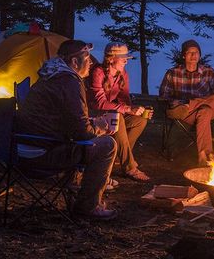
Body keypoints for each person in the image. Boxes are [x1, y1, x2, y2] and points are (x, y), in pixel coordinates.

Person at [16, 39, 118, 220]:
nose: (91, 62)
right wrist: (100, 127)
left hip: (24, 147)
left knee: (90, 141)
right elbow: (83, 133)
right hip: (42, 154)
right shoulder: (69, 81)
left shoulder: (50, 76)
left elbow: (65, 117)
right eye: (87, 58)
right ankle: (88, 207)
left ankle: (77, 187)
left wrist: (90, 122)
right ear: (74, 62)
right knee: (107, 145)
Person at [158, 39, 214, 164]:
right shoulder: (173, 73)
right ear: (184, 55)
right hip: (184, 114)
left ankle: (190, 105)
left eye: (196, 52)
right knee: (205, 112)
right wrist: (177, 103)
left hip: (191, 108)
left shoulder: (209, 72)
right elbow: (164, 97)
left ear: (200, 55)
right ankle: (205, 158)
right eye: (190, 52)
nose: (193, 55)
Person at [87, 43, 150, 182]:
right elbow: (99, 103)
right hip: (94, 115)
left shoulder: (122, 74)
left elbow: (124, 100)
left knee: (140, 121)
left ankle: (118, 156)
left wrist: (136, 110)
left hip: (112, 114)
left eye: (126, 57)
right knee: (118, 117)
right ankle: (129, 167)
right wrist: (126, 109)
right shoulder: (98, 72)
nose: (126, 60)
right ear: (110, 59)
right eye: (122, 57)